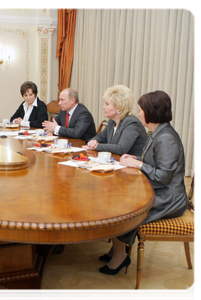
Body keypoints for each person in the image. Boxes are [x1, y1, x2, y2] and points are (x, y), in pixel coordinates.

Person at [99, 90, 188, 275]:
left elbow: (163, 176)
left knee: (121, 210)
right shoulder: (158, 132)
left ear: (151, 112)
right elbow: (154, 160)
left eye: (141, 110)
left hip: (169, 198)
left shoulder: (166, 138)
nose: (139, 114)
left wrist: (138, 163)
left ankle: (120, 256)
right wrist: (136, 158)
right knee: (115, 200)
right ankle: (117, 249)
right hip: (159, 190)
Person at [82, 85, 147, 156]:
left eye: (107, 104)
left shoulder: (132, 123)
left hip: (132, 165)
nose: (104, 107)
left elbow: (121, 148)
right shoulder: (112, 121)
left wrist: (97, 146)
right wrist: (93, 141)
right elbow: (101, 137)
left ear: (119, 107)